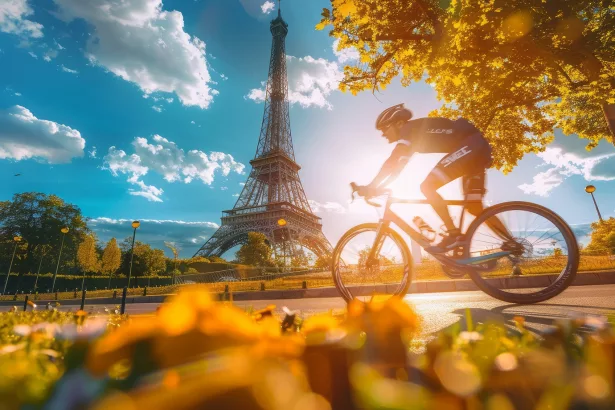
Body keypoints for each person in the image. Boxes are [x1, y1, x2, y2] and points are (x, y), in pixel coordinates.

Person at [355, 103, 511, 253]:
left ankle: (453, 234)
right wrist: (378, 187)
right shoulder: (411, 138)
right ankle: (512, 243)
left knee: (427, 186)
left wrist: (371, 186)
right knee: (474, 207)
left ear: (399, 123)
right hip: (475, 151)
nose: (383, 134)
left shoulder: (407, 129)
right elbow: (396, 168)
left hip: (470, 146)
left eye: (384, 128)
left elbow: (392, 160)